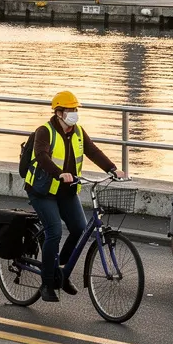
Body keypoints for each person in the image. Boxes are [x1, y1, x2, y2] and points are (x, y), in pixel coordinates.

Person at [24, 90, 124, 303]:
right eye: (70, 109)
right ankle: (47, 282)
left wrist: (112, 169)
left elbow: (93, 151)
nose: (74, 113)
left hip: (67, 191)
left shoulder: (78, 132)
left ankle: (61, 271)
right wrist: (59, 173)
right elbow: (41, 156)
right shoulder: (45, 131)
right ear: (58, 112)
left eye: (75, 109)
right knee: (54, 231)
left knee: (79, 229)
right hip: (43, 191)